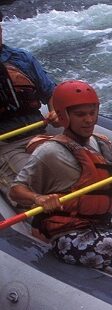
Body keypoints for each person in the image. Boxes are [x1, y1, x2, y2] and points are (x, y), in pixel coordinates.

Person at [8, 80, 112, 286]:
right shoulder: (50, 152)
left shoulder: (102, 143)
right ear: (63, 116)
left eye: (92, 112)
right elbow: (16, 190)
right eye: (81, 115)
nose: (89, 120)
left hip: (101, 227)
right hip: (68, 238)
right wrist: (39, 198)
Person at [0, 11, 59, 201]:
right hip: (6, 144)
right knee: (36, 183)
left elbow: (51, 94)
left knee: (76, 169)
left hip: (39, 134)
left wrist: (56, 111)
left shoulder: (22, 58)